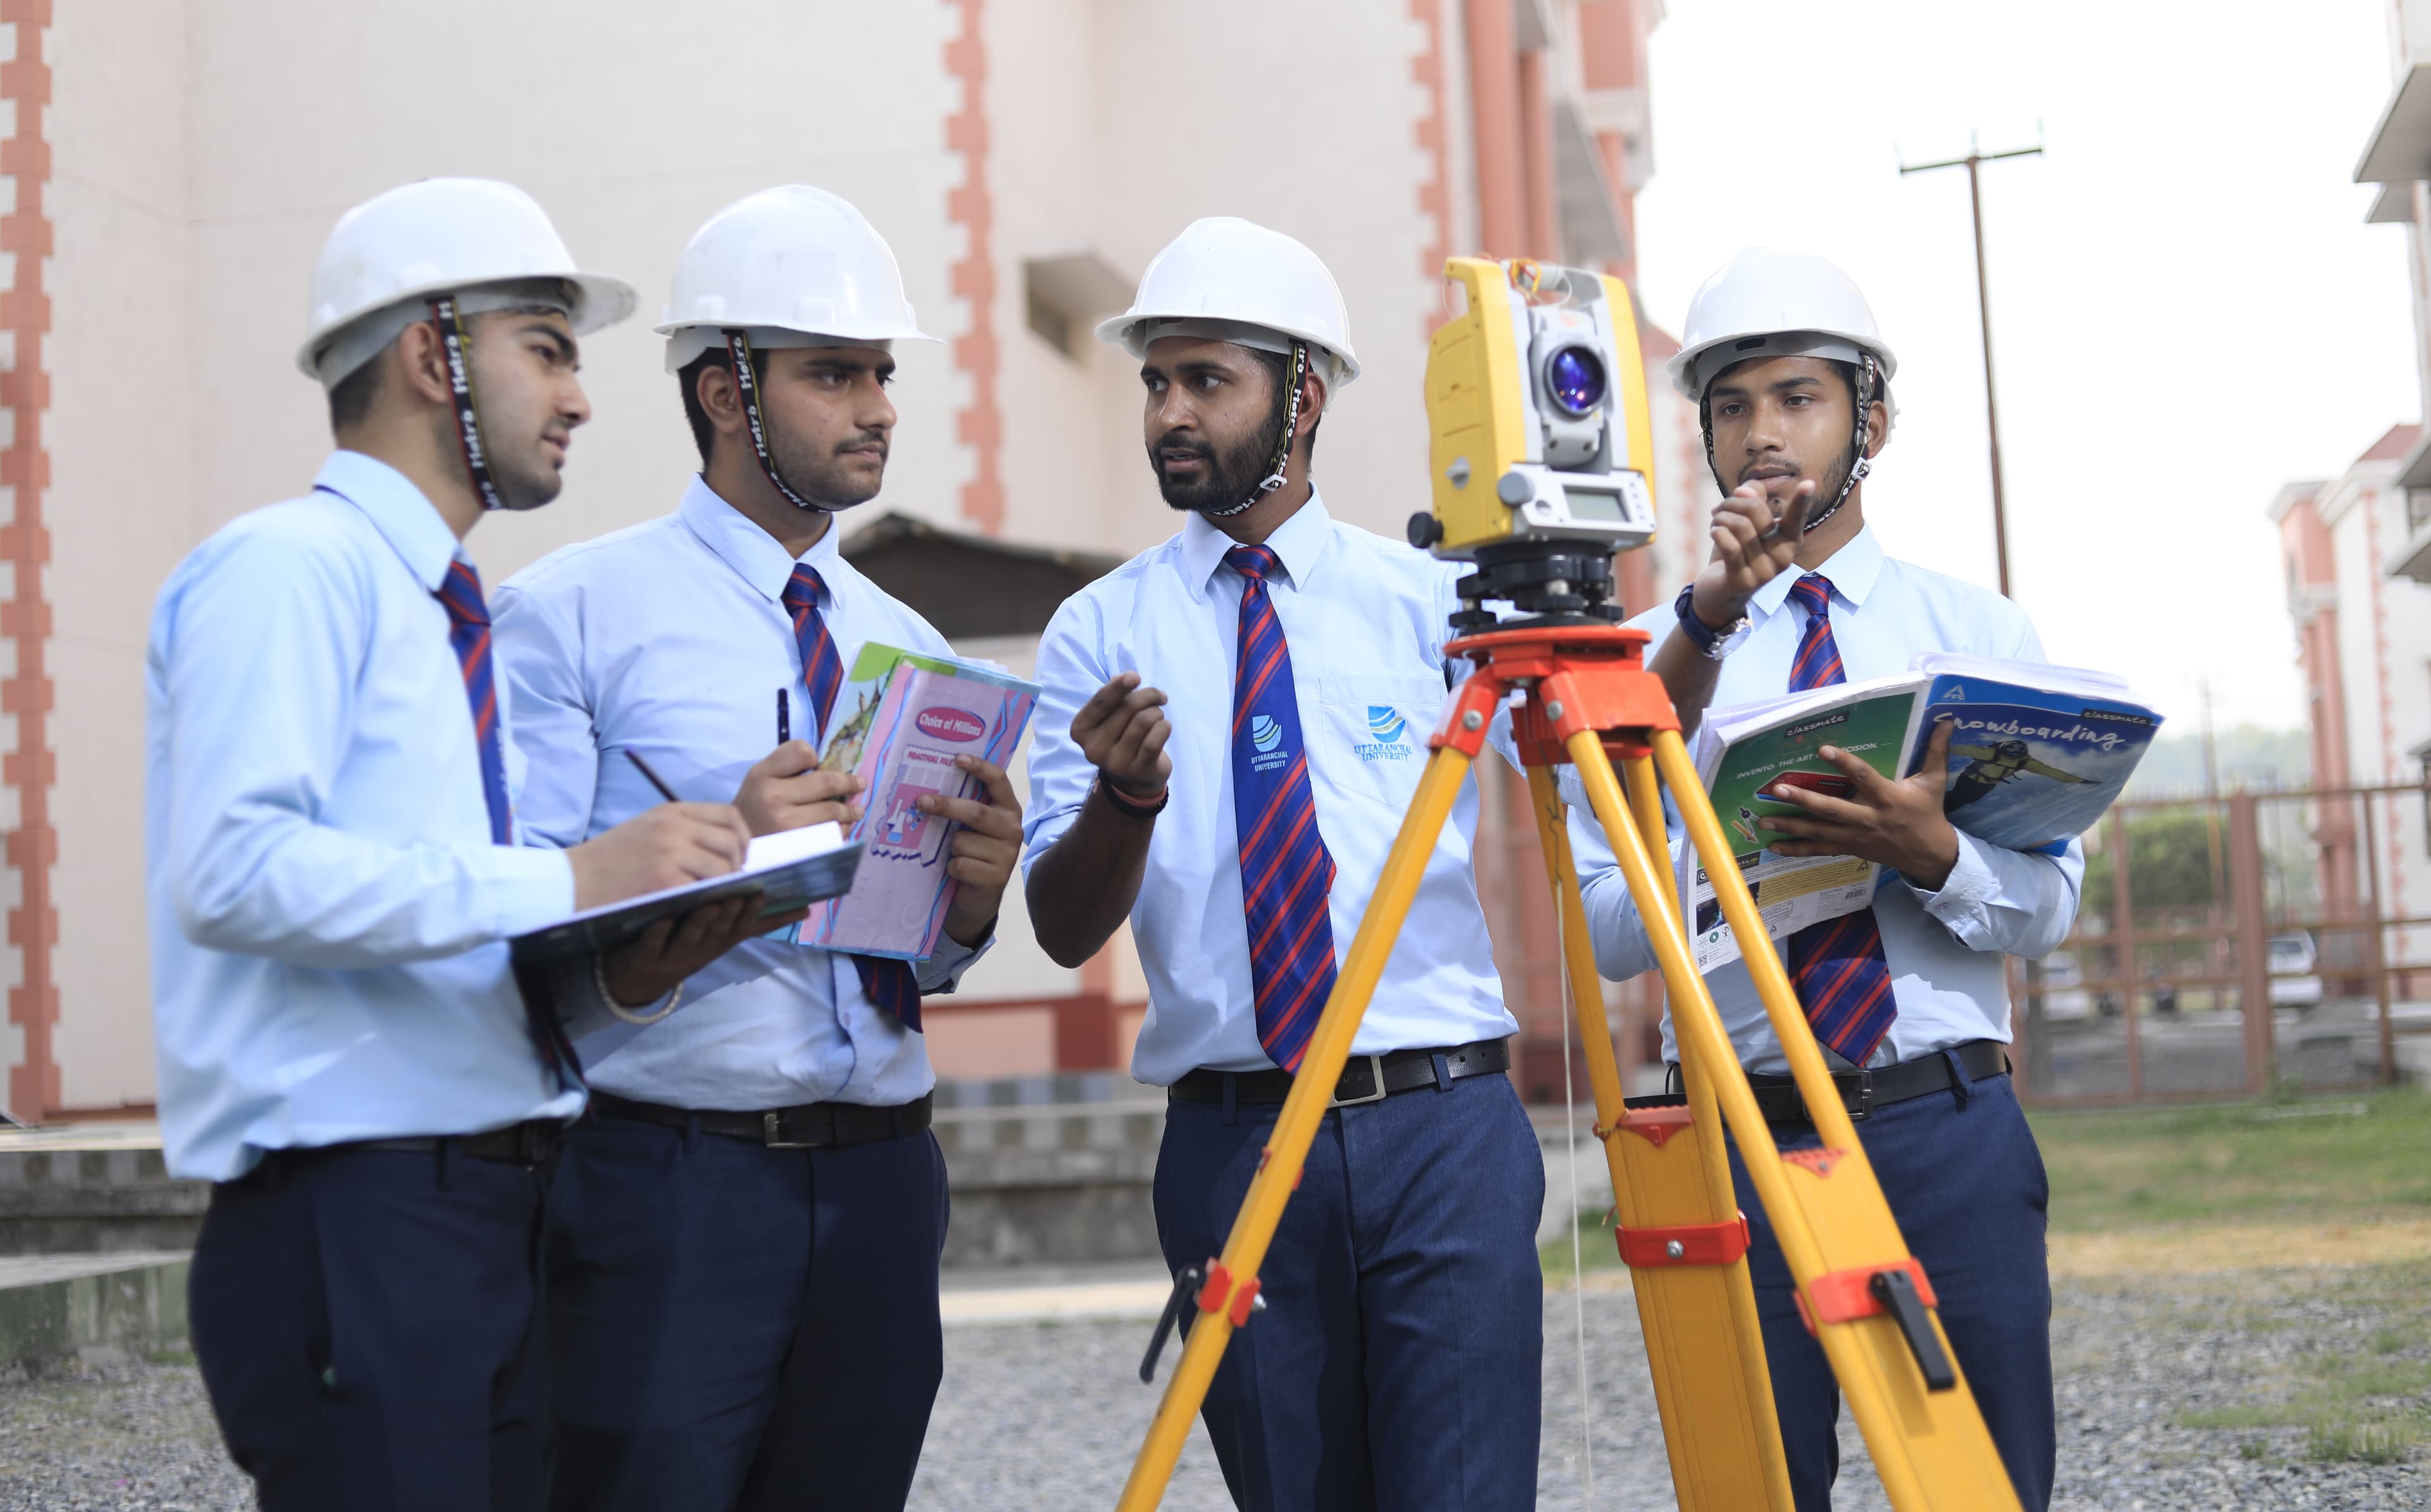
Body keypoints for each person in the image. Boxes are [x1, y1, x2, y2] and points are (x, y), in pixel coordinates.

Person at [148, 178, 772, 1511]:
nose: (582, 396)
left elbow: (428, 931)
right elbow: (232, 869)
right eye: (545, 348)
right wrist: (574, 874)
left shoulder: (440, 609)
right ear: (436, 355)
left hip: (482, 1208)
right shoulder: (286, 570)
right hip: (356, 1213)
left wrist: (640, 944)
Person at [492, 184, 1024, 1512]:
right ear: (726, 389)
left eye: (882, 372)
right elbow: (513, 931)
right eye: (833, 372)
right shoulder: (568, 617)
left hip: (888, 1176)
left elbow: (919, 950)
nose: (879, 405)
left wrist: (970, 901)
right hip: (666, 1179)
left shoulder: (913, 640)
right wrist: (730, 850)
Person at [1021, 218, 1542, 1512]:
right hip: (1232, 1135)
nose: (1169, 413)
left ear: (1301, 395)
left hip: (1444, 1128)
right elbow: (1060, 922)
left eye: (1207, 379)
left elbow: (1608, 781)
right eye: (1156, 381)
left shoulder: (1436, 603)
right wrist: (1125, 798)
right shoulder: (1098, 631)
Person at [1578, 246, 2077, 1511]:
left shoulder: (1976, 634)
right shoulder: (1644, 656)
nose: (1762, 434)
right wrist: (1716, 849)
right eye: (1731, 406)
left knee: (1983, 1486)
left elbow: (2053, 905)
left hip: (1943, 1124)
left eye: (1796, 397)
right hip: (1742, 1132)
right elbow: (1610, 931)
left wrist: (1936, 854)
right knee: (1755, 1488)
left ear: (1874, 421)